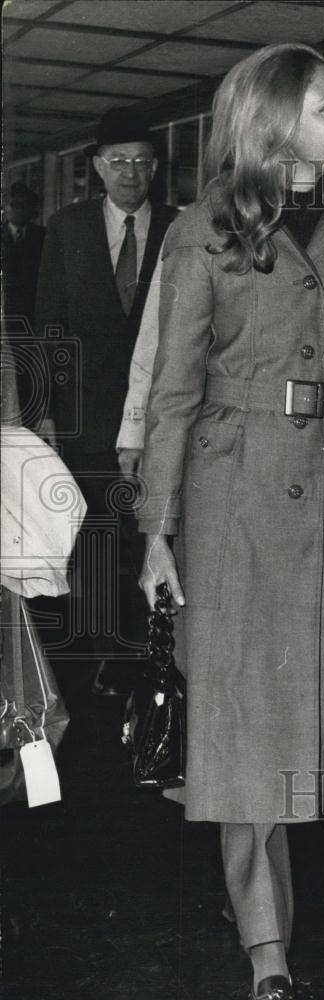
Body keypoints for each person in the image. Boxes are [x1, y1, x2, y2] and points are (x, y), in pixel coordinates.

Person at [135, 43, 324, 1000]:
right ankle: (268, 948)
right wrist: (157, 531)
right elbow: (172, 393)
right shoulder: (201, 230)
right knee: (249, 725)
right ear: (274, 120)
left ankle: (255, 895)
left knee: (299, 730)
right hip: (232, 493)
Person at [34, 108, 178, 695]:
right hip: (84, 415)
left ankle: (156, 655)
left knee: (152, 532)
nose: (130, 173)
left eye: (142, 162)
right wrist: (43, 411)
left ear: (156, 168)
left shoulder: (178, 228)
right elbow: (47, 322)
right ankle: (106, 658)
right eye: (118, 162)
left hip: (160, 416)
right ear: (97, 168)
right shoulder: (68, 229)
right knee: (94, 536)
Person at [2, 181, 46, 428]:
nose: (18, 210)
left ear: (33, 210)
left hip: (30, 320)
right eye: (14, 205)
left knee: (27, 375)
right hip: (4, 318)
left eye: (24, 206)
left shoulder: (43, 237)